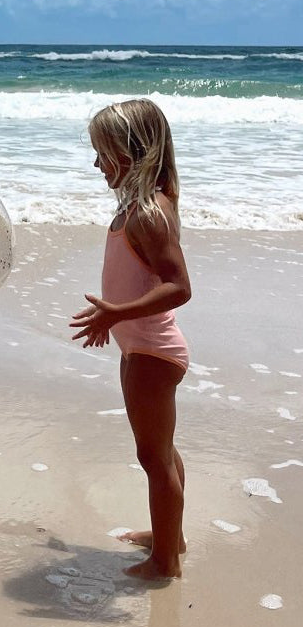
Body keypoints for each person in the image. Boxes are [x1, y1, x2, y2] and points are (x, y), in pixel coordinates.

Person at [70, 100, 191, 581]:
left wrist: (117, 313)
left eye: (103, 152)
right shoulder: (135, 209)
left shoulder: (147, 212)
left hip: (153, 352)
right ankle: (170, 537)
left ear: (131, 151)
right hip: (138, 348)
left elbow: (179, 286)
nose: (96, 164)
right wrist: (118, 321)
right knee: (160, 450)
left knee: (153, 457)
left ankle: (166, 562)